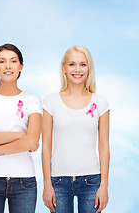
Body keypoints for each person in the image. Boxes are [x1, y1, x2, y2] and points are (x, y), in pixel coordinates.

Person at [0, 43, 42, 213]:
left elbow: (32, 141)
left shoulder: (32, 100)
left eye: (13, 61)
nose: (8, 66)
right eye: (2, 61)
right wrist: (18, 135)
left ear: (21, 66)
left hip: (24, 181)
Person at [42, 46, 110, 213]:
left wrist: (104, 185)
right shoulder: (50, 102)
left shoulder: (101, 102)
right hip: (58, 181)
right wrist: (47, 185)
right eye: (72, 64)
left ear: (89, 69)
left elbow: (104, 146)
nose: (77, 69)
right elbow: (46, 146)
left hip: (92, 181)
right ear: (64, 68)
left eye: (83, 64)